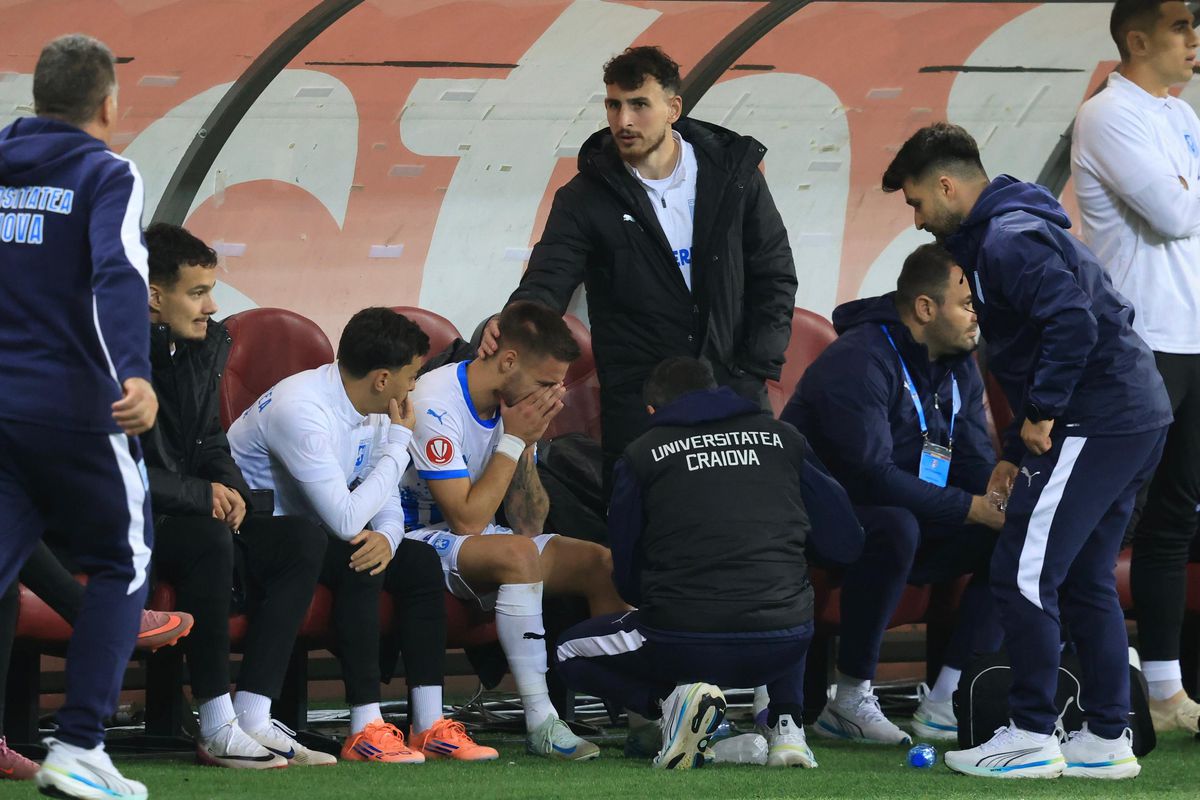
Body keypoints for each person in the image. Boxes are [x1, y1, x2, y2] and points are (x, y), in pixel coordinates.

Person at [883, 121, 1172, 779]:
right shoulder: (1009, 232)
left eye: (917, 203)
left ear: (948, 186)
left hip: (1096, 418)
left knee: (1022, 568)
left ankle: (1031, 734)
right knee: (1082, 576)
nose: (918, 219)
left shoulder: (1007, 242)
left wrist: (1042, 413)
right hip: (1130, 413)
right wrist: (1016, 447)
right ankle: (1105, 738)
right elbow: (1041, 341)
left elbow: (1072, 322)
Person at [480, 45, 797, 488]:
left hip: (732, 384)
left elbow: (774, 273)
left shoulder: (733, 175)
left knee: (747, 513)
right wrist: (515, 319)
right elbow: (549, 278)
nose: (623, 121)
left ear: (673, 108)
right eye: (614, 105)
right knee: (645, 530)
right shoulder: (584, 197)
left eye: (638, 105)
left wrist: (754, 365)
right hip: (641, 398)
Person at [554, 357, 859, 770]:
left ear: (651, 412)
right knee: (787, 584)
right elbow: (846, 541)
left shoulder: (642, 454)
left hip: (683, 642)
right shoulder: (784, 438)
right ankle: (788, 728)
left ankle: (675, 707)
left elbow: (626, 575)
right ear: (717, 392)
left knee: (567, 652)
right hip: (783, 642)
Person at [228, 307, 496, 764]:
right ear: (381, 379)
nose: (415, 386)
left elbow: (382, 499)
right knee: (358, 553)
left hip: (313, 530)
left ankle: (429, 724)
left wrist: (390, 538)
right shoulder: (303, 409)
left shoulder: (372, 404)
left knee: (416, 561)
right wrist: (397, 442)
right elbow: (348, 520)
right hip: (252, 534)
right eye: (411, 375)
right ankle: (365, 726)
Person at [0, 34, 158, 800]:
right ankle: (80, 744)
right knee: (123, 560)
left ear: (37, 97)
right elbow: (117, 275)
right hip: (72, 409)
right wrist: (135, 371)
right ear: (108, 104)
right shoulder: (106, 173)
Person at [782, 243, 1004, 745]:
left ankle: (947, 699)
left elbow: (971, 460)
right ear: (926, 308)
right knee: (894, 524)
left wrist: (997, 507)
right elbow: (870, 475)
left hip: (907, 510)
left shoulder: (959, 361)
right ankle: (849, 699)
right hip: (821, 516)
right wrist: (969, 508)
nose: (977, 317)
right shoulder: (859, 358)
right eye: (967, 305)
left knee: (1011, 538)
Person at [137, 222, 341, 768]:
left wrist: (228, 486)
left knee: (300, 538)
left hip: (183, 505)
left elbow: (206, 437)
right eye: (197, 292)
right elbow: (107, 471)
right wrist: (199, 495)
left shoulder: (203, 345)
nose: (211, 305)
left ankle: (252, 712)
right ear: (154, 295)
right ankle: (215, 722)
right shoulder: (110, 351)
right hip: (125, 519)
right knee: (206, 537)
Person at [402, 301, 627, 761]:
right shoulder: (434, 402)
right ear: (508, 361)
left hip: (476, 538)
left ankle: (641, 713)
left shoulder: (509, 407)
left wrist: (523, 443)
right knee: (519, 555)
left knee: (601, 563)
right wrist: (511, 439)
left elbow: (529, 522)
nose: (553, 396)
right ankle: (541, 719)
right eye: (546, 383)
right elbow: (464, 520)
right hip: (411, 539)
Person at [1071, 0, 1200, 733]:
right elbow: (1173, 216)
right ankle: (1094, 673)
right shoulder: (1107, 115)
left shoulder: (1181, 116)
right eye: (1182, 27)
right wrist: (1185, 196)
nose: (1194, 39)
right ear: (1139, 37)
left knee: (1175, 517)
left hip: (1195, 337)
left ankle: (1165, 689)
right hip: (1138, 342)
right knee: (1112, 516)